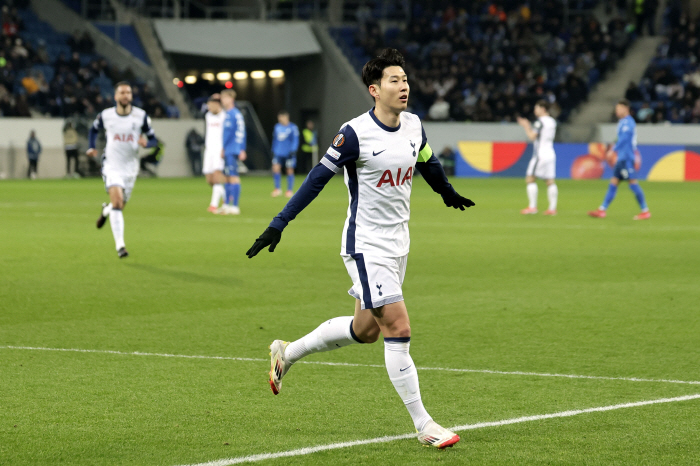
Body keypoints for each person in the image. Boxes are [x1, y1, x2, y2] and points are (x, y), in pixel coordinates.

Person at [246, 48, 475, 449]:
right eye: (394, 80)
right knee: (399, 327)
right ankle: (424, 425)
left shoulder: (414, 126)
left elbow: (427, 161)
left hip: (399, 243)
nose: (403, 86)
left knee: (365, 331)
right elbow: (318, 177)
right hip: (365, 246)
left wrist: (447, 192)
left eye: (405, 80)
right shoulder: (354, 133)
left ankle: (287, 351)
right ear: (374, 89)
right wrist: (279, 222)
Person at [88, 81, 157, 258]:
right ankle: (121, 246)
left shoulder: (141, 116)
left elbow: (154, 140)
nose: (125, 95)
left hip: (131, 168)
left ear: (131, 96)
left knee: (119, 206)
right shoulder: (106, 115)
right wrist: (91, 146)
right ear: (115, 96)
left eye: (128, 92)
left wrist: (146, 143)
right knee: (118, 203)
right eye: (122, 93)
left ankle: (105, 211)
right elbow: (93, 130)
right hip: (112, 165)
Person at [589, 99, 650, 220]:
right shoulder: (622, 122)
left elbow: (624, 140)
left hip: (626, 158)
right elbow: (619, 138)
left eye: (618, 108)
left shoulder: (628, 122)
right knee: (613, 183)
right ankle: (602, 210)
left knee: (632, 184)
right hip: (621, 158)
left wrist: (613, 150)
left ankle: (645, 211)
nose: (616, 110)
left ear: (625, 109)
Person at [517, 100, 558, 215]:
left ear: (543, 109)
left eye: (536, 108)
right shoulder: (552, 121)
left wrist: (526, 126)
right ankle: (552, 209)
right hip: (550, 153)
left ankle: (532, 207)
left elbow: (532, 136)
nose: (535, 110)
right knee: (550, 181)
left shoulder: (539, 122)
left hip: (540, 155)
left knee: (530, 179)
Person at [220, 89, 246, 215]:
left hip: (233, 148)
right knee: (227, 177)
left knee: (234, 176)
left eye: (225, 98)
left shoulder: (236, 114)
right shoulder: (227, 114)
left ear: (231, 99)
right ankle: (226, 205)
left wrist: (241, 148)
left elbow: (241, 131)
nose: (222, 100)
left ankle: (235, 206)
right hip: (227, 148)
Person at [202, 94, 226, 213]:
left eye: (211, 105)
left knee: (217, 177)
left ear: (217, 104)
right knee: (209, 179)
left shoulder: (224, 116)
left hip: (219, 150)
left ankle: (213, 205)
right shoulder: (208, 116)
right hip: (209, 150)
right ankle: (226, 196)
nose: (209, 108)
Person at [270, 110, 300, 198]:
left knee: (289, 170)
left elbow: (295, 140)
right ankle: (277, 189)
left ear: (286, 117)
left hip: (289, 153)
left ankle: (289, 190)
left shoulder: (293, 127)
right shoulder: (277, 127)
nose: (279, 119)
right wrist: (273, 149)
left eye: (281, 117)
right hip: (278, 152)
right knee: (276, 168)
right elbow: (275, 139)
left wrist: (293, 149)